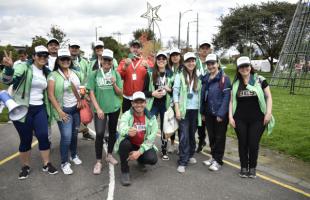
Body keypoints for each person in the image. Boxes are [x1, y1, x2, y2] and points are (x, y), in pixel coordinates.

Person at [1, 46, 58, 179]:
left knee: (43, 136)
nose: (43, 57)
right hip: (22, 110)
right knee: (26, 139)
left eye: (45, 55)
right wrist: (9, 68)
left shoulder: (46, 72)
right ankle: (25, 166)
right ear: (33, 56)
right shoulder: (24, 67)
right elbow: (7, 81)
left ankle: (47, 163)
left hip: (40, 108)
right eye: (40, 55)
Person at [229, 56, 274, 178]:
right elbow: (231, 101)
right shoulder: (236, 83)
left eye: (246, 66)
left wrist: (268, 113)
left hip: (258, 119)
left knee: (253, 143)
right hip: (239, 119)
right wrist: (230, 117)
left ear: (250, 67)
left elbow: (269, 97)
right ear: (238, 69)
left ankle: (252, 168)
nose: (244, 69)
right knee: (242, 143)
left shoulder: (260, 80)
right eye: (241, 67)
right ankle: (244, 167)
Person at [87, 49, 123, 174]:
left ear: (112, 62)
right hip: (100, 109)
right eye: (105, 59)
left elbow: (120, 93)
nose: (107, 62)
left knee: (112, 132)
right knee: (100, 133)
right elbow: (91, 92)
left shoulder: (116, 74)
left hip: (114, 108)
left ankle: (109, 155)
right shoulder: (94, 74)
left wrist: (114, 84)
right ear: (101, 60)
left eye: (109, 60)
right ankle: (98, 161)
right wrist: (97, 109)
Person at [47, 48, 83, 175]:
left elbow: (81, 89)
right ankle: (64, 162)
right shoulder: (53, 75)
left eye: (67, 59)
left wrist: (81, 98)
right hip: (64, 111)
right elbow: (50, 95)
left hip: (76, 110)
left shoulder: (75, 73)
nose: (65, 61)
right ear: (58, 60)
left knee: (74, 134)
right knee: (66, 137)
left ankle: (73, 155)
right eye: (62, 59)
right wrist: (60, 111)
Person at [114, 91, 158, 186]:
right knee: (124, 144)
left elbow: (151, 139)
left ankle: (140, 160)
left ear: (145, 103)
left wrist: (139, 152)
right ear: (132, 103)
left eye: (141, 102)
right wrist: (127, 131)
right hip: (130, 144)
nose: (139, 105)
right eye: (136, 102)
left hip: (142, 145)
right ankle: (125, 172)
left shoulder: (152, 118)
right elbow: (121, 127)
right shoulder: (127, 114)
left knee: (152, 159)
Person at [200, 54, 231, 171]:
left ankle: (218, 160)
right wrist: (202, 112)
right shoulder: (206, 78)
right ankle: (213, 157)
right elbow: (204, 97)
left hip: (219, 115)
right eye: (208, 64)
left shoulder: (225, 78)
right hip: (208, 113)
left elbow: (226, 97)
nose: (210, 66)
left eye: (213, 63)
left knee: (219, 137)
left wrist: (221, 114)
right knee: (212, 136)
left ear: (217, 63)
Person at [173, 52, 202, 173]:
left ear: (195, 62)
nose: (191, 63)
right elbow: (175, 94)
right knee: (184, 135)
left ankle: (190, 155)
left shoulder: (199, 76)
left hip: (195, 110)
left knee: (191, 134)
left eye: (193, 61)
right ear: (184, 63)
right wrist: (177, 110)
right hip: (183, 110)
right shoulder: (179, 76)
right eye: (188, 61)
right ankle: (183, 161)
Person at [143, 51, 173, 160]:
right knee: (150, 126)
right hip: (153, 105)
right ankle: (147, 146)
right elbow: (144, 91)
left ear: (166, 60)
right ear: (156, 60)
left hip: (165, 105)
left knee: (164, 128)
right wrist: (153, 93)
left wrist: (169, 90)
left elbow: (176, 92)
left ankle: (164, 150)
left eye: (163, 58)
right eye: (159, 58)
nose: (161, 60)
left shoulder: (171, 74)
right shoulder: (150, 73)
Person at [117, 40, 153, 113]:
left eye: (138, 47)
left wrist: (148, 68)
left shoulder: (146, 62)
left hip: (140, 97)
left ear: (141, 50)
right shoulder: (124, 61)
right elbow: (118, 76)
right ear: (130, 49)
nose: (135, 49)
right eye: (133, 47)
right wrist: (125, 66)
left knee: (139, 121)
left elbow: (154, 76)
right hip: (127, 97)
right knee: (127, 120)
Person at [69, 40, 94, 141]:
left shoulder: (84, 61)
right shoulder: (65, 60)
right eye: (72, 47)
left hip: (82, 91)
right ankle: (71, 135)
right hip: (69, 93)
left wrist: (84, 93)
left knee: (85, 113)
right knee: (71, 115)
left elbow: (86, 78)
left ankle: (85, 132)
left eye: (76, 47)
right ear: (69, 48)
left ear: (79, 49)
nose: (74, 49)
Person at [196, 41, 213, 153]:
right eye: (203, 48)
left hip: (209, 95)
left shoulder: (212, 62)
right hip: (196, 94)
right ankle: (201, 140)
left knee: (208, 120)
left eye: (207, 48)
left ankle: (212, 144)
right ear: (199, 50)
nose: (205, 50)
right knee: (199, 121)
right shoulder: (194, 61)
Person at [167, 48, 183, 154]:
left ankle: (181, 145)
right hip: (169, 101)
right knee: (172, 124)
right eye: (173, 55)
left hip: (181, 100)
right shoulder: (168, 69)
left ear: (180, 56)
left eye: (177, 55)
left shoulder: (184, 68)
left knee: (181, 125)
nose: (175, 57)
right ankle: (172, 145)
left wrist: (171, 90)